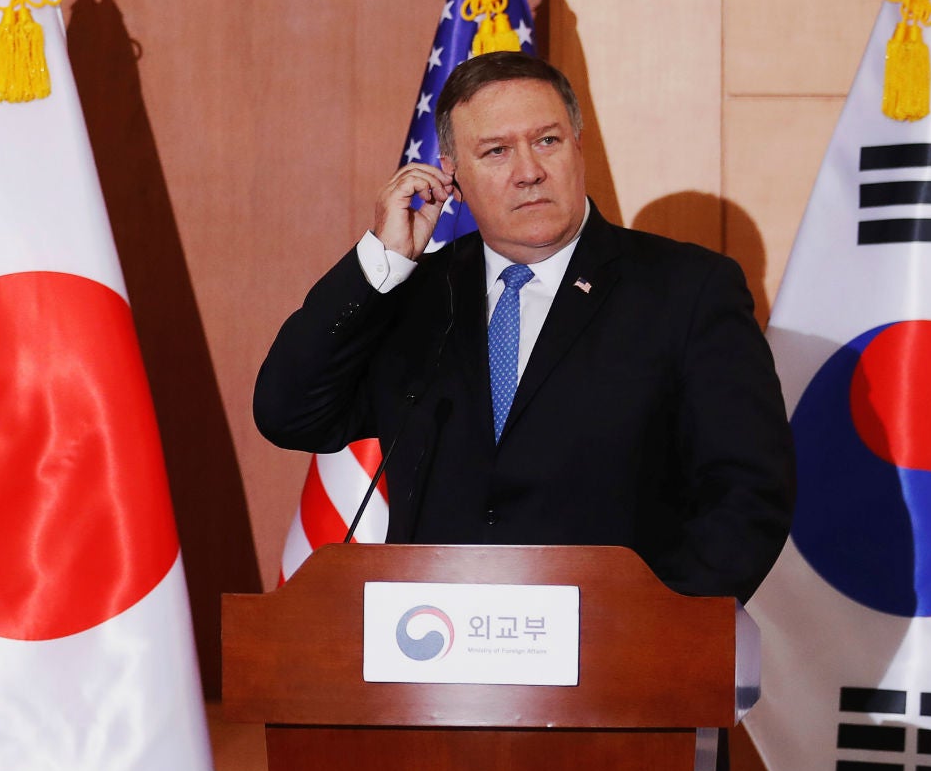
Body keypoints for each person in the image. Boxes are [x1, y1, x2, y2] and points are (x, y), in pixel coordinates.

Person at [253, 53, 793, 602]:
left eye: (547, 141)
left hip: (619, 654)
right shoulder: (415, 295)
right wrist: (379, 264)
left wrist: (664, 622)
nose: (528, 171)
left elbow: (749, 489)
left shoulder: (686, 290)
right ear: (451, 176)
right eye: (496, 151)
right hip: (434, 647)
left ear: (579, 145)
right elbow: (290, 414)